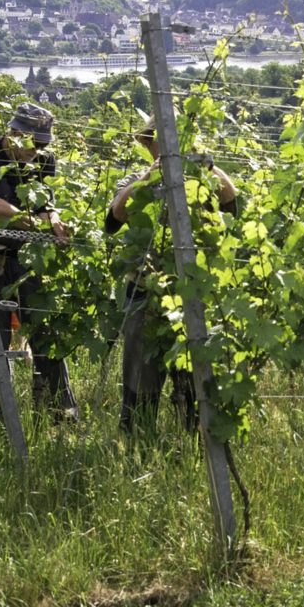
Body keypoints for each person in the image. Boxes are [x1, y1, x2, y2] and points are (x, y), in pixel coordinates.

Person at [106, 115, 237, 435]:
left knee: (192, 377)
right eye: (156, 140)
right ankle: (137, 436)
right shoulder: (139, 181)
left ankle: (193, 440)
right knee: (141, 374)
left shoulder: (202, 182)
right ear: (148, 144)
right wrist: (150, 177)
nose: (164, 146)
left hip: (190, 291)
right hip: (144, 290)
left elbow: (233, 203)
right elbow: (112, 219)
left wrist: (203, 164)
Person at [0, 102, 76, 419]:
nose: (37, 151)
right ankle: (2, 413)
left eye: (43, 145)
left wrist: (53, 219)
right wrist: (26, 218)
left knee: (44, 329)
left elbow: (43, 200)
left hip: (28, 256)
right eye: (33, 143)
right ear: (14, 133)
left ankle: (61, 408)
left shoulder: (43, 160)